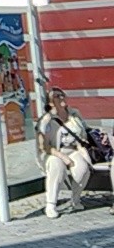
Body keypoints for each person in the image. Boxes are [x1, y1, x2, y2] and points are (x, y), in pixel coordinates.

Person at [38, 87, 92, 218]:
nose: (61, 98)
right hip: (53, 152)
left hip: (74, 149)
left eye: (62, 95)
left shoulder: (74, 114)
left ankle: (75, 199)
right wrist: (63, 157)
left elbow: (86, 130)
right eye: (57, 96)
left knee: (83, 169)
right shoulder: (46, 120)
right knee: (57, 166)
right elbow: (43, 146)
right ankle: (51, 204)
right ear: (50, 103)